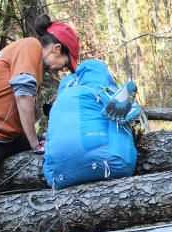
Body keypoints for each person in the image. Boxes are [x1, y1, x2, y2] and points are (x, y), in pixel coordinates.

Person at [0, 15, 81, 232]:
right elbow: (23, 96)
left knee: (50, 143)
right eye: (65, 62)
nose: (61, 69)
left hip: (6, 137)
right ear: (56, 48)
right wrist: (33, 144)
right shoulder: (29, 46)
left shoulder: (32, 58)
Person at [43, 60, 139, 189]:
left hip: (57, 175)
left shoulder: (60, 99)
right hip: (111, 163)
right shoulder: (101, 87)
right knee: (118, 117)